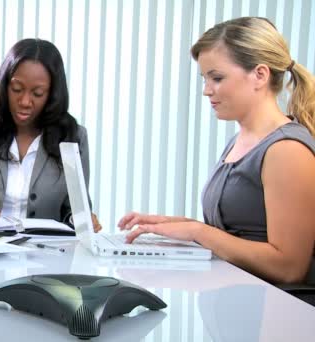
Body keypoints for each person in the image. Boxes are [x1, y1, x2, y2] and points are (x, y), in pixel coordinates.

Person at [118, 17, 315, 285]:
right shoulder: (241, 140)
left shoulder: (287, 150)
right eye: (205, 78)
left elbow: (289, 267)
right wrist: (167, 225)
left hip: (271, 314)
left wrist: (198, 232)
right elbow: (238, 233)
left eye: (217, 78)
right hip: (235, 303)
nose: (206, 90)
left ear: (260, 75)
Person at [0, 38, 102, 231]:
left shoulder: (73, 137)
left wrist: (82, 220)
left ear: (52, 94)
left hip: (47, 254)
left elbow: (76, 208)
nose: (25, 101)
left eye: (37, 93)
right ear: (4, 85)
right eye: (17, 89)